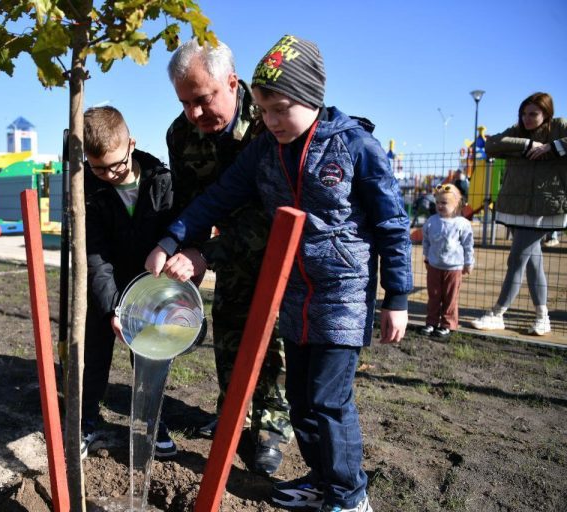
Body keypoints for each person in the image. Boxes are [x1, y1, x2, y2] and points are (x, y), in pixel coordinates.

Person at [147, 35, 411, 512]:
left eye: (278, 110)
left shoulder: (353, 146)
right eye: (265, 113)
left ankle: (350, 497)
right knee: (301, 395)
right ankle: (321, 479)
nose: (268, 122)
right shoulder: (268, 146)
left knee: (329, 401)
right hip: (293, 288)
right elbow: (216, 197)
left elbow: (392, 222)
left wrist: (397, 296)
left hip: (339, 293)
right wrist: (173, 240)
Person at [163, 38, 292, 475]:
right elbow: (191, 202)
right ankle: (235, 416)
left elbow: (269, 216)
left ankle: (270, 429)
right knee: (230, 333)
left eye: (203, 100)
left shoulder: (269, 121)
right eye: (185, 104)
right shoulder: (181, 135)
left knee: (269, 338)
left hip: (276, 249)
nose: (195, 115)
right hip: (226, 251)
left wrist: (206, 254)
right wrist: (187, 261)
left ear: (232, 83)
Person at [80, 106, 178, 461]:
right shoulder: (87, 192)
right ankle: (84, 421)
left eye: (116, 165)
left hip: (149, 286)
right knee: (93, 356)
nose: (108, 174)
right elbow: (95, 256)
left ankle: (152, 422)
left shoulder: (161, 179)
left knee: (150, 358)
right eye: (98, 167)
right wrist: (111, 308)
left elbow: (173, 232)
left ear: (131, 144)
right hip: (103, 285)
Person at [471, 92, 567, 336]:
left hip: (543, 207)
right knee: (533, 263)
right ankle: (542, 316)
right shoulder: (518, 130)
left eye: (533, 113)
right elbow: (491, 144)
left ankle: (498, 312)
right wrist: (526, 145)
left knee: (516, 260)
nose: (527, 118)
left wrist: (552, 147)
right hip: (515, 205)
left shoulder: (559, 127)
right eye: (524, 113)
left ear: (546, 113)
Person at [420, 184, 474, 339]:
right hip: (434, 265)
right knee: (434, 295)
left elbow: (468, 245)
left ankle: (447, 324)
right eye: (438, 202)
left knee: (450, 297)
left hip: (454, 268)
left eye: (444, 203)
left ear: (456, 204)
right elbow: (426, 241)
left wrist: (468, 263)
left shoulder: (462, 224)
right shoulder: (431, 221)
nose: (439, 206)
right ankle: (431, 322)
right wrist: (426, 256)